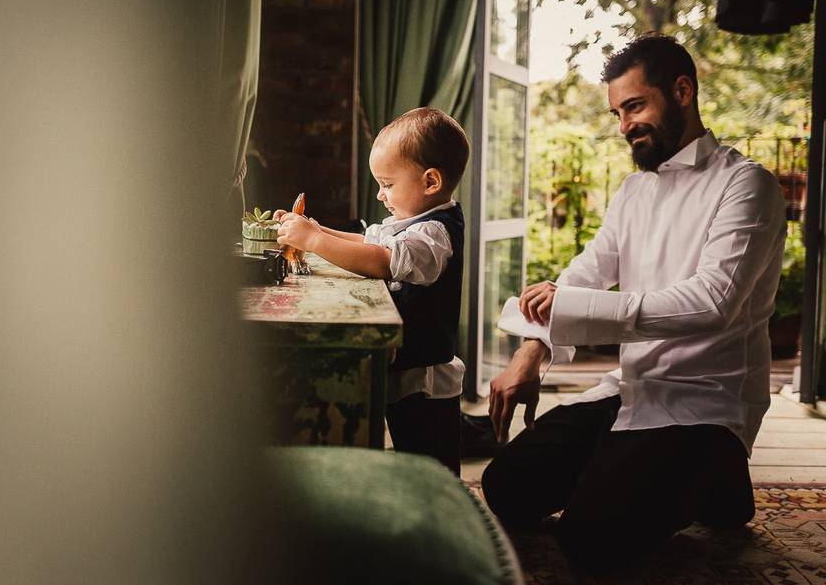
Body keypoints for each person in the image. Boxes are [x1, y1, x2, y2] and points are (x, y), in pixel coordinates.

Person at [482, 33, 787, 573]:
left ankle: (717, 474)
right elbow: (588, 271)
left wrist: (569, 306)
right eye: (617, 113)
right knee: (505, 487)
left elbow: (712, 303)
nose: (625, 126)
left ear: (683, 91)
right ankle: (650, 474)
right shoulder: (633, 190)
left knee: (591, 538)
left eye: (635, 106)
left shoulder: (748, 185)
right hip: (631, 390)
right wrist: (533, 348)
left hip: (707, 404)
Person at [277, 107, 469, 476]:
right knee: (405, 455)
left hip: (424, 379)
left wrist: (314, 241)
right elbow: (367, 241)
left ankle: (441, 521)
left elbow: (381, 260)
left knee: (430, 467)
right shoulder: (408, 222)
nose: (380, 195)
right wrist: (318, 229)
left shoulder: (434, 234)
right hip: (406, 368)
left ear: (431, 182)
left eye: (388, 184)